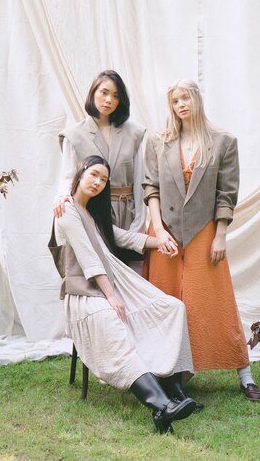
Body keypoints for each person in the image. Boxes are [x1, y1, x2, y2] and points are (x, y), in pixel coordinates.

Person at [53, 155, 197, 433]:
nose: (97, 182)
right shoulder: (67, 209)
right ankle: (161, 407)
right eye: (93, 174)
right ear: (81, 173)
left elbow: (121, 236)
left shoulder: (91, 212)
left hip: (114, 283)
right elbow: (87, 258)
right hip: (85, 293)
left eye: (104, 179)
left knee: (171, 307)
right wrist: (111, 296)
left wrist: (160, 242)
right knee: (110, 321)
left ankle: (175, 391)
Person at [142, 80, 260, 401]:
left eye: (186, 97)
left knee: (214, 299)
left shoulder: (223, 141)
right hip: (164, 232)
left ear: (197, 99)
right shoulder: (158, 141)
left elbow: (226, 193)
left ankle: (244, 373)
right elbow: (150, 188)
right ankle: (171, 371)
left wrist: (220, 234)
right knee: (165, 301)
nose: (181, 104)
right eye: (175, 100)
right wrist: (158, 230)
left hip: (204, 231)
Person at [54, 70, 146, 271]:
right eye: (104, 92)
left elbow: (140, 181)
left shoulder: (134, 133)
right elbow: (68, 176)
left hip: (127, 214)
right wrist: (62, 196)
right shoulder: (74, 135)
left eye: (115, 95)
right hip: (93, 213)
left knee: (131, 276)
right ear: (92, 92)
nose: (109, 100)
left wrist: (138, 224)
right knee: (98, 273)